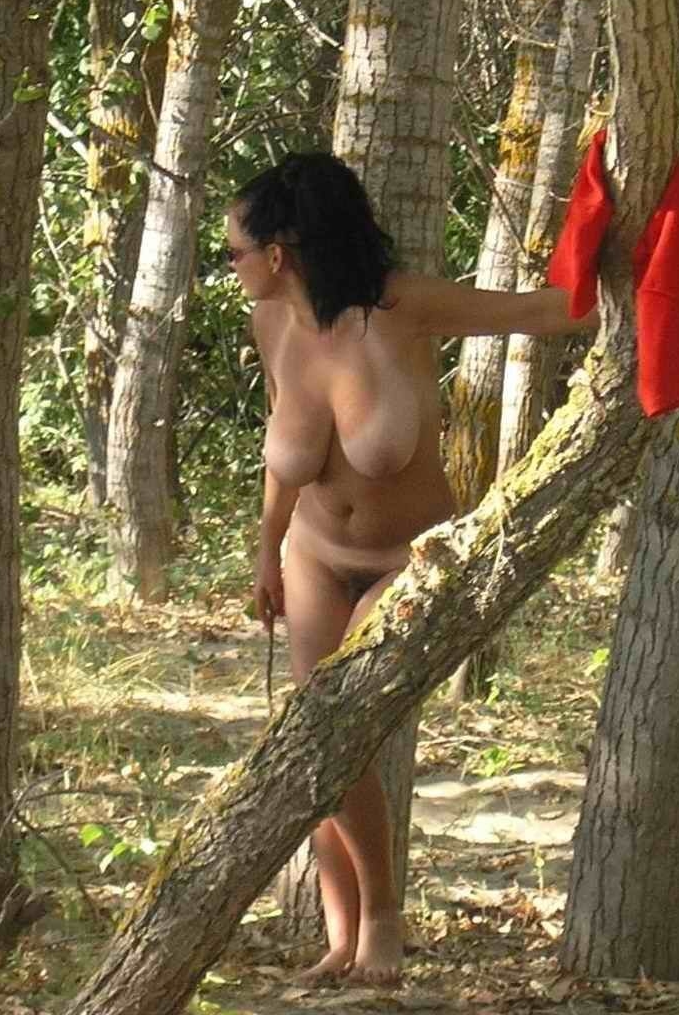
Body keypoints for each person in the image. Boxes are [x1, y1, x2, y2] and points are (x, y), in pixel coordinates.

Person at [226, 151, 595, 984]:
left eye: (234, 252)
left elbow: (548, 312)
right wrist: (267, 552)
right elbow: (284, 459)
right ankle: (341, 935)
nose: (232, 267)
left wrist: (638, 268)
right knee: (317, 739)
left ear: (278, 253)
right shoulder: (270, 324)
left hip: (409, 560)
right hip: (314, 555)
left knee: (337, 722)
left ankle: (382, 916)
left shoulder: (403, 307)